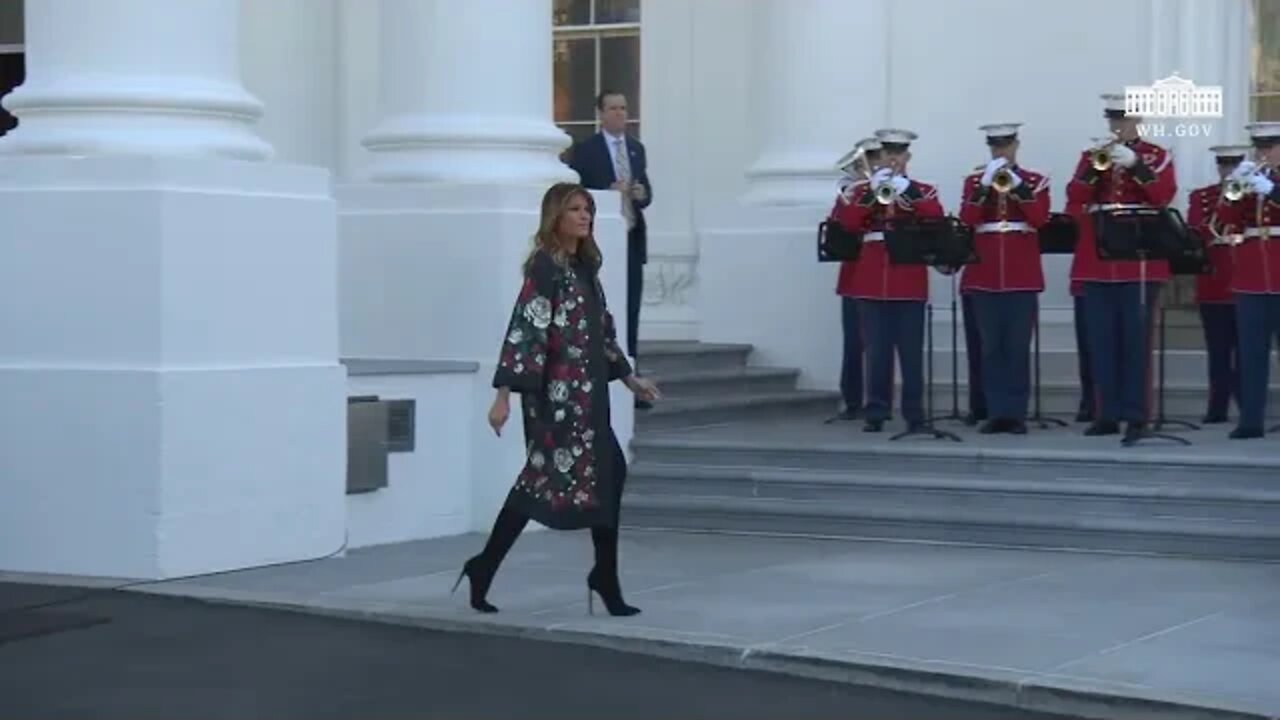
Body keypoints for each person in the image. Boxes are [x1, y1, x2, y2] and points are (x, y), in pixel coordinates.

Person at [454, 183, 661, 615]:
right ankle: (487, 565)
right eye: (575, 209)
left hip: (590, 402)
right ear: (556, 216)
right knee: (538, 484)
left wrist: (630, 380)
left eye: (588, 209)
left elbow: (603, 336)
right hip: (556, 400)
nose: (585, 216)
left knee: (605, 474)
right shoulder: (545, 267)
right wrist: (503, 395)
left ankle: (599, 574)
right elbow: (525, 330)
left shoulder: (586, 269)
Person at [1066, 93, 1177, 444]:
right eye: (1113, 120)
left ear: (1137, 121)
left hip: (1138, 261)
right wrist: (1093, 168)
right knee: (1101, 342)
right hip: (1099, 261)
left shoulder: (1156, 156)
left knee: (1136, 344)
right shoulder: (1091, 156)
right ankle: (1106, 413)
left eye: (1123, 120)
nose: (1117, 127)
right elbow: (1075, 196)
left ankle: (1137, 414)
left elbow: (1162, 196)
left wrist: (1135, 165)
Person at [832, 128, 945, 433]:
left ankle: (914, 414)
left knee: (910, 354)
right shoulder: (860, 190)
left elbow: (935, 215)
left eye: (899, 153)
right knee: (877, 353)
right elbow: (850, 222)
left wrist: (905, 189)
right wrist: (872, 191)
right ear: (880, 156)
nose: (893, 159)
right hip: (871, 280)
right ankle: (876, 411)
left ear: (907, 157)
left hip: (908, 280)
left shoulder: (923, 189)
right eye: (887, 153)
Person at [958, 123, 1051, 434]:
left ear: (1016, 146)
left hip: (1021, 275)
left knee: (1016, 346)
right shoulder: (974, 181)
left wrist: (1018, 186)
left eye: (1005, 146)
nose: (1000, 152)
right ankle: (995, 411)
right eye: (995, 147)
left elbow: (1039, 218)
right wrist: (984, 187)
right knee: (991, 347)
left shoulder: (1036, 181)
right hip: (984, 274)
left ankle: (1016, 413)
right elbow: (968, 220)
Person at [565, 91, 653, 408]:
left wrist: (641, 193)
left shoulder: (636, 149)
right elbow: (576, 190)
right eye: (613, 109)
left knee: (632, 310)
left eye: (624, 108)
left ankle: (634, 375)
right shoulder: (586, 150)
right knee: (606, 309)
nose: (620, 114)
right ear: (601, 114)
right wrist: (606, 192)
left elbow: (646, 192)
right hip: (599, 240)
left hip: (631, 237)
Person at [1221, 121, 1280, 439]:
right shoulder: (1253, 178)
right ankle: (1251, 420)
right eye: (1259, 147)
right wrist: (1234, 189)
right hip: (1251, 275)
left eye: (1269, 147)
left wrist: (1272, 190)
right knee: (1251, 353)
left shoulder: (1268, 183)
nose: (1263, 153)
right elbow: (1226, 221)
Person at [1187, 144, 1251, 424]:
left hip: (1246, 280)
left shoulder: (1255, 196)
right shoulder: (1203, 197)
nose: (1228, 170)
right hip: (1214, 282)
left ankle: (1248, 405)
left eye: (1234, 165)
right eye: (1224, 165)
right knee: (1218, 351)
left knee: (1248, 351)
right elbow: (1196, 230)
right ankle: (1218, 406)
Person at [829, 136, 880, 422]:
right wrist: (852, 196)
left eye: (868, 164)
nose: (865, 170)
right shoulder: (851, 192)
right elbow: (840, 228)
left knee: (878, 344)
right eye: (863, 165)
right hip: (854, 277)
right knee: (854, 344)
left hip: (879, 276)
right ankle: (852, 399)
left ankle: (876, 399)